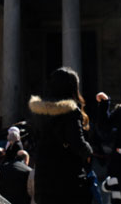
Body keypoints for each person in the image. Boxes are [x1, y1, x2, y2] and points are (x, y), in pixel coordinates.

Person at [29, 67, 93, 204]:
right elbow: (78, 142)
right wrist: (89, 151)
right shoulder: (70, 111)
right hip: (67, 175)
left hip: (43, 174)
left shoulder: (38, 111)